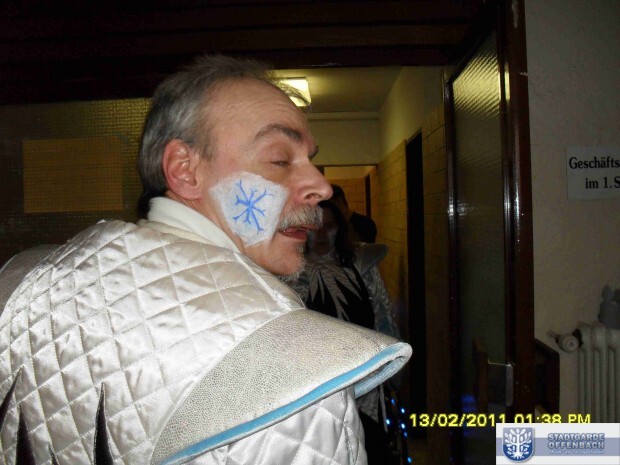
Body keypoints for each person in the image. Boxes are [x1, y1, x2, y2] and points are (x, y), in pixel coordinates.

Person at [0, 55, 411, 465]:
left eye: (311, 160)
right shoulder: (294, 371)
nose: (322, 186)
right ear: (185, 170)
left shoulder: (18, 284)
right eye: (279, 159)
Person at [292, 199, 400, 464]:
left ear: (340, 228)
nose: (321, 234)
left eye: (328, 226)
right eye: (314, 226)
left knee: (367, 446)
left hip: (366, 379)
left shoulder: (361, 267)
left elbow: (384, 317)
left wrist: (392, 367)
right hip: (316, 388)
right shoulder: (290, 275)